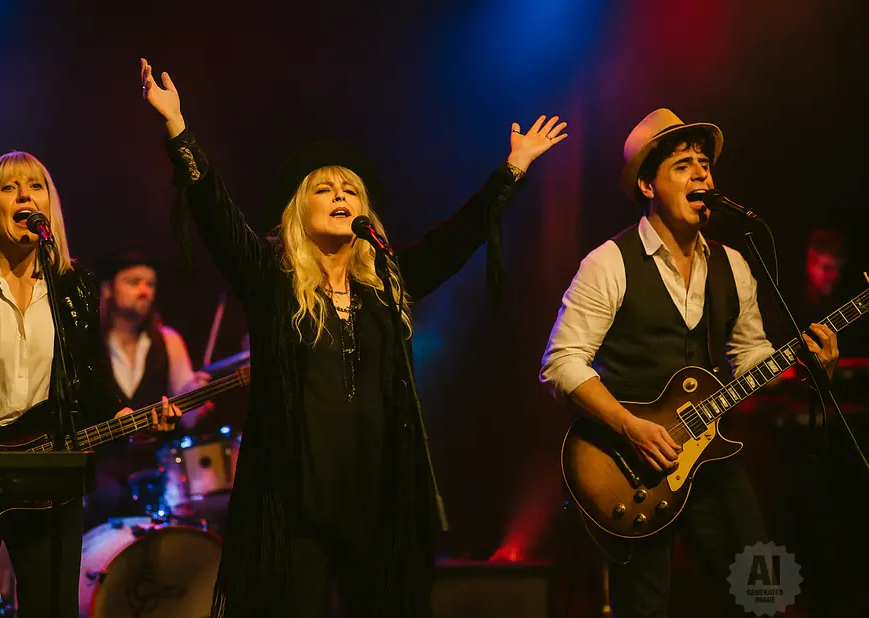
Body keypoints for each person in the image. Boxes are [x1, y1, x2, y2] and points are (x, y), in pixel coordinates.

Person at [140, 57, 569, 618]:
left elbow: (453, 242)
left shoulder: (385, 282)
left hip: (379, 502)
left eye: (351, 189)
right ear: (299, 209)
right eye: (325, 189)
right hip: (296, 506)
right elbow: (217, 215)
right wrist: (177, 128)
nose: (341, 194)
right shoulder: (272, 279)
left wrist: (509, 173)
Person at [540, 108, 840, 617]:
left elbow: (750, 359)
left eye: (705, 164)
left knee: (765, 593)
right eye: (683, 165)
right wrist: (631, 426)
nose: (702, 174)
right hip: (632, 470)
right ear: (647, 184)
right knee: (646, 607)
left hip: (713, 460)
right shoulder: (608, 262)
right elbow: (561, 363)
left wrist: (808, 367)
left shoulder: (734, 262)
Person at [0, 150, 180, 617]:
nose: (25, 195)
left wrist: (128, 417)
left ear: (49, 207)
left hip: (48, 474)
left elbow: (87, 375)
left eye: (36, 186)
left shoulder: (74, 286)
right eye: (10, 187)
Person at [85, 247, 213, 525]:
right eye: (134, 282)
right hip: (96, 488)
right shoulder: (87, 342)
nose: (144, 291)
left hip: (154, 483)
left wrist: (197, 399)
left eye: (150, 284)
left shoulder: (169, 341)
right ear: (107, 289)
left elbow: (189, 420)